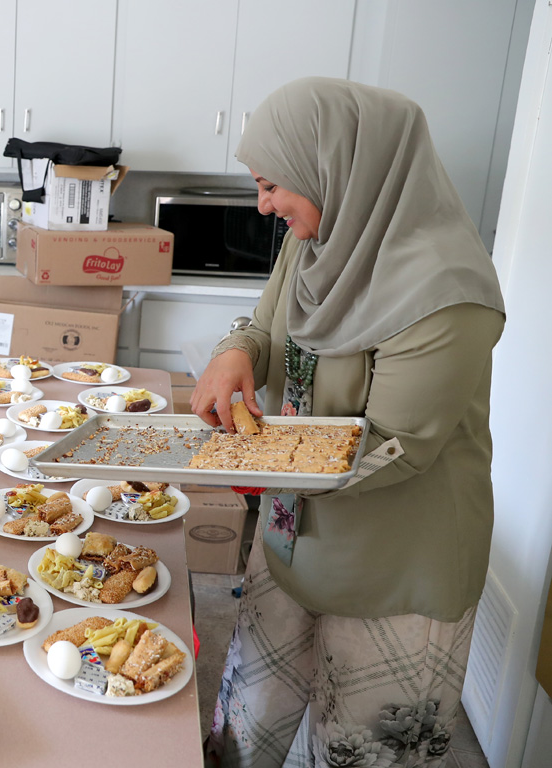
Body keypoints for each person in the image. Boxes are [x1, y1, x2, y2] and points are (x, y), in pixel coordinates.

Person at [194, 77, 506, 767]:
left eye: (273, 185)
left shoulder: (447, 289)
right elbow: (266, 326)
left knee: (359, 750)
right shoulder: (315, 243)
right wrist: (233, 353)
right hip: (291, 537)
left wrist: (232, 462)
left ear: (331, 166)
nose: (263, 205)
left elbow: (396, 447)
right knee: (247, 727)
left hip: (393, 569)